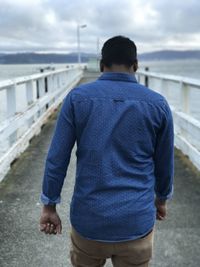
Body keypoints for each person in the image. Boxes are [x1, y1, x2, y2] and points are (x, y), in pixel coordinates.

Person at [39, 36, 174, 267]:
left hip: (89, 221)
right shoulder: (158, 104)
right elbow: (164, 162)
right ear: (136, 65)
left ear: (102, 65)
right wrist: (161, 199)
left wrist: (49, 205)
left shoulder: (77, 99)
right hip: (136, 221)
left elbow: (57, 158)